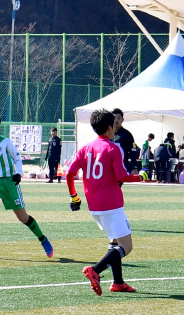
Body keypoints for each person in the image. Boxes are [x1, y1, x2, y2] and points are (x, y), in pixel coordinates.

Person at [66, 109, 149, 295]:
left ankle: (118, 282)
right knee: (126, 246)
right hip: (111, 204)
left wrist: (74, 196)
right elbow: (122, 176)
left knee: (114, 242)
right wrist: (141, 177)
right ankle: (95, 270)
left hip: (94, 206)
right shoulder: (113, 148)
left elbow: (70, 174)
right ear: (110, 128)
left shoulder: (85, 148)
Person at [0, 113, 53, 259]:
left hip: (9, 183)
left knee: (23, 218)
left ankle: (43, 239)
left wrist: (18, 173)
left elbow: (17, 158)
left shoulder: (5, 142)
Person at [111, 108, 137, 174]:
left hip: (121, 168)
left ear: (122, 120)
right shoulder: (107, 133)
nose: (116, 120)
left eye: (119, 118)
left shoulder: (127, 135)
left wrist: (133, 167)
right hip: (108, 168)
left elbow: (132, 153)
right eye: (114, 118)